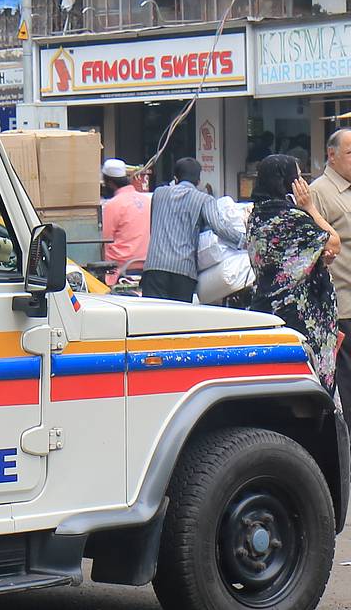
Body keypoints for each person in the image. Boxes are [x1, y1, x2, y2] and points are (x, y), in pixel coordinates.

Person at [246, 154, 340, 396]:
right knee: (307, 387)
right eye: (297, 176)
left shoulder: (256, 215)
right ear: (287, 181)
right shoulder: (293, 218)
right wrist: (309, 207)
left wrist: (318, 255)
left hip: (266, 311)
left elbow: (292, 257)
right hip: (299, 317)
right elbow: (334, 242)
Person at [140, 157, 240, 302]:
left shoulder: (158, 194)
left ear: (175, 178)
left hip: (154, 267)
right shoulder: (204, 199)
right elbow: (219, 228)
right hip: (183, 270)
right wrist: (243, 239)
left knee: (153, 318)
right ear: (199, 181)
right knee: (180, 320)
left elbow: (153, 227)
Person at [308, 127, 351, 410]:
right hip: (343, 307)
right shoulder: (318, 193)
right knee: (346, 387)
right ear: (331, 155)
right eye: (350, 153)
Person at [100, 158, 151, 285]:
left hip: (120, 268)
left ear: (110, 182)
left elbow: (104, 241)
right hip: (147, 264)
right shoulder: (147, 201)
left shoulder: (112, 205)